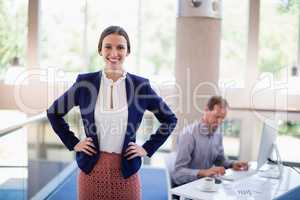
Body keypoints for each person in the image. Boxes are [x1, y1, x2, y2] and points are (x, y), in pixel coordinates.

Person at [47, 25, 177, 200]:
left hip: (126, 173)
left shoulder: (141, 86)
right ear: (100, 50)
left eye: (120, 47)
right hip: (91, 171)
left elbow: (170, 119)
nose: (114, 53)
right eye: (108, 46)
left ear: (128, 52)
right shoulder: (85, 83)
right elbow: (54, 112)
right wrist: (74, 143)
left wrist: (146, 148)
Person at [171, 96, 248, 186]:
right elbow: (178, 173)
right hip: (186, 187)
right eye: (217, 116)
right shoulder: (188, 134)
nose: (219, 122)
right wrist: (204, 172)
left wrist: (233, 164)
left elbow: (220, 161)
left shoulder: (217, 134)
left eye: (222, 118)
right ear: (206, 110)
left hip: (206, 184)